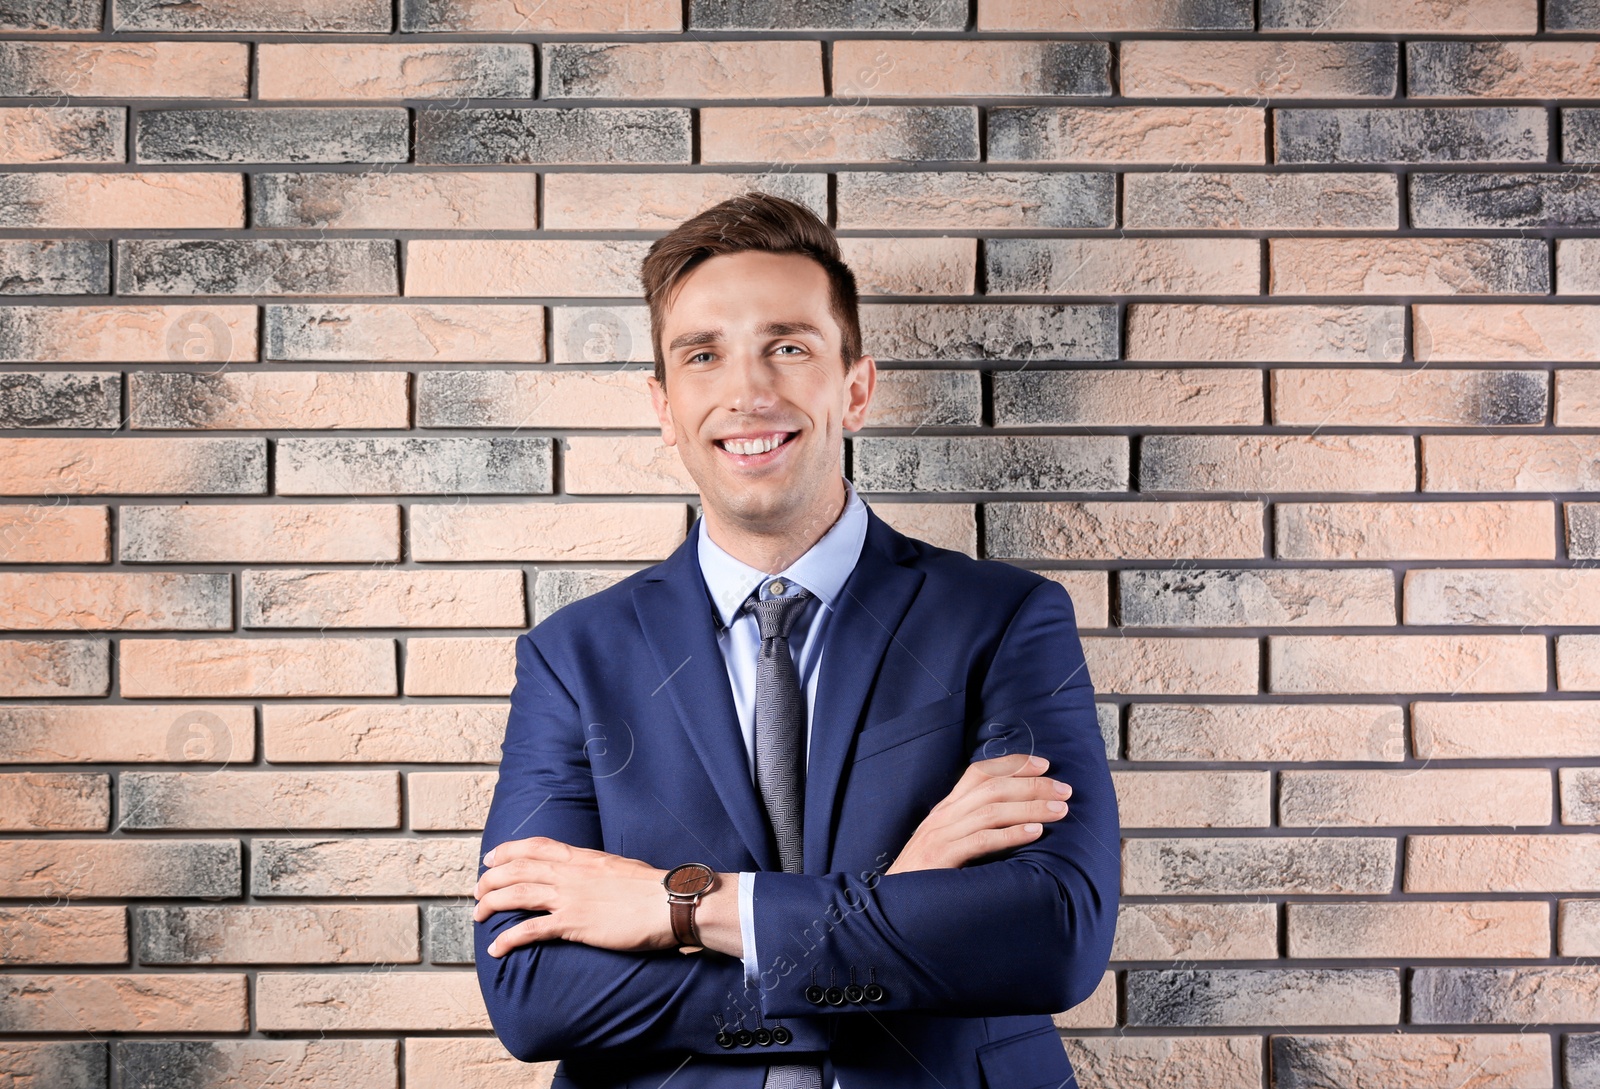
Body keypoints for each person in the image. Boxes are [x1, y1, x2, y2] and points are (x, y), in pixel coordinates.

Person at [472, 192, 1119, 1088]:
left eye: (788, 346)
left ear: (854, 385)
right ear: (664, 406)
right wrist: (899, 901)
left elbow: (1052, 934)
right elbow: (532, 990)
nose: (748, 392)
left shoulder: (1006, 618)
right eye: (704, 356)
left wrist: (678, 906)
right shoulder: (573, 657)